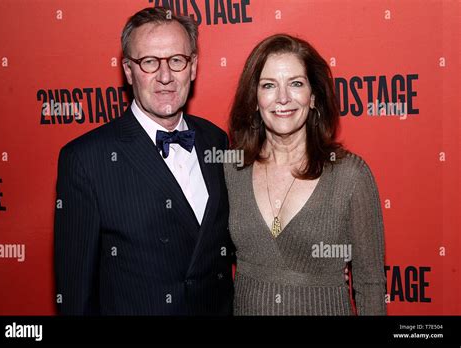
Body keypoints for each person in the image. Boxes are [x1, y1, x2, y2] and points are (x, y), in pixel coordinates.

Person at [54, 7, 234, 315]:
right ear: (128, 70)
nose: (165, 77)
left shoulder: (216, 140)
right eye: (149, 62)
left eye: (177, 61)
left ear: (193, 67)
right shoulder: (85, 159)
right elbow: (76, 297)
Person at [225, 34, 387, 315]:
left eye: (296, 84)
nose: (283, 98)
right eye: (269, 86)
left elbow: (370, 284)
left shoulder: (350, 176)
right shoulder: (231, 169)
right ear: (254, 98)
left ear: (313, 96)